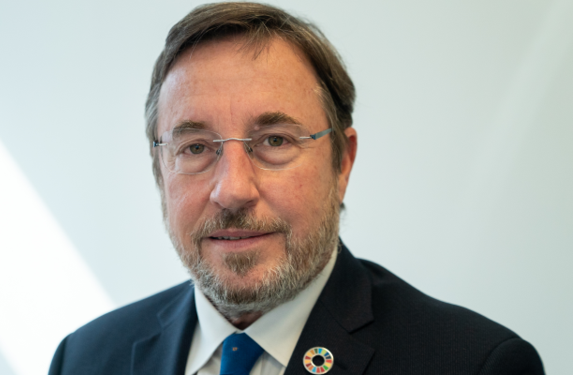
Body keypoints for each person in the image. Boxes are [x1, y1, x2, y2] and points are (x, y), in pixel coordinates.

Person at [48, 3, 544, 374]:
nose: (232, 189)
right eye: (196, 148)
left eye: (274, 141)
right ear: (160, 171)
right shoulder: (85, 359)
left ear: (342, 161)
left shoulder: (474, 365)